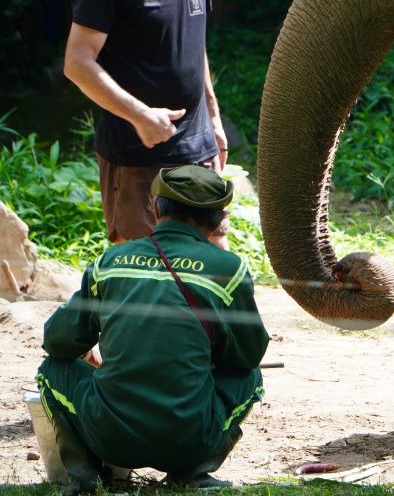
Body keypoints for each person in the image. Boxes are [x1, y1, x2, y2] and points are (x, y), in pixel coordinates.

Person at [35, 165, 269, 493]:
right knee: (251, 377)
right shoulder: (229, 271)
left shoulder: (110, 262)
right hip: (189, 440)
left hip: (108, 438)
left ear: (156, 208)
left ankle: (87, 477)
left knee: (51, 370)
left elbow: (57, 343)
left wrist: (92, 349)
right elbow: (248, 355)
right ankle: (193, 472)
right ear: (218, 220)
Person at [63, 0, 228, 245]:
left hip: (196, 147)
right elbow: (77, 63)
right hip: (136, 156)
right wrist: (140, 115)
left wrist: (215, 119)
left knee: (213, 262)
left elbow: (193, 40)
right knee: (140, 274)